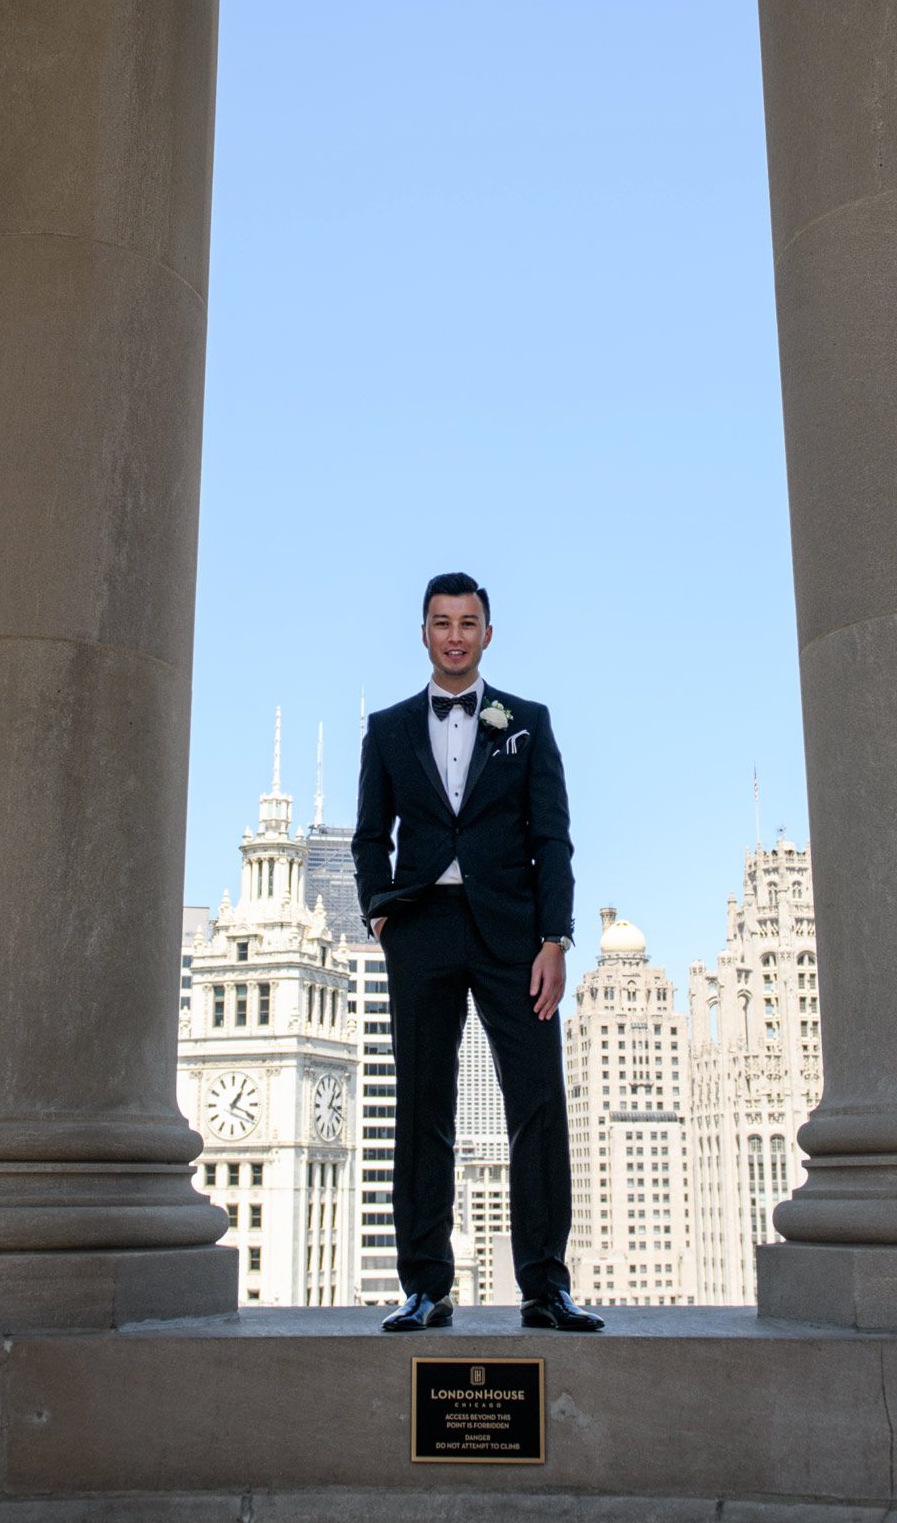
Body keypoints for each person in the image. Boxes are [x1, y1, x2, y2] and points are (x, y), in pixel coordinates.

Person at [353, 571, 605, 1333]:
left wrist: (554, 939)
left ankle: (545, 1287)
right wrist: (381, 918)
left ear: (488, 634)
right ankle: (426, 1286)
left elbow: (552, 838)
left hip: (514, 939)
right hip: (422, 928)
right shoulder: (388, 728)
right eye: (442, 622)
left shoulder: (528, 720)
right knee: (423, 1106)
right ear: (423, 633)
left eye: (469, 622)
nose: (456, 634)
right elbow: (371, 837)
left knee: (537, 1104)